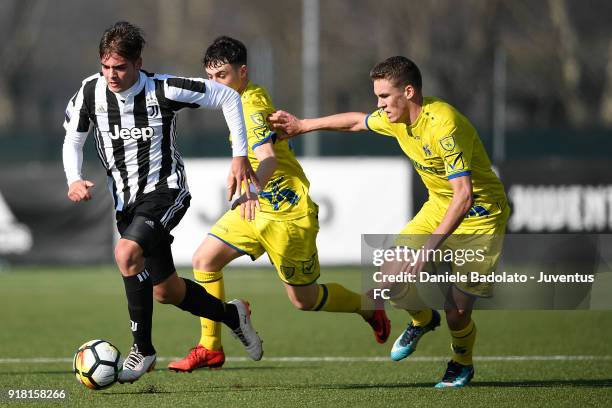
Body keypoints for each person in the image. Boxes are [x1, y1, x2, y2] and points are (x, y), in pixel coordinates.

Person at [269, 56, 509, 388]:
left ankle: (461, 363)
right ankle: (422, 320)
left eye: (384, 96)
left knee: (458, 312)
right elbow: (356, 122)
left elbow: (464, 196)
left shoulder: (444, 125)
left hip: (480, 216)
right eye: (377, 97)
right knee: (389, 278)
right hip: (440, 207)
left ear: (408, 92)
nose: (379, 104)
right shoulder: (394, 119)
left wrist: (425, 252)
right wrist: (303, 125)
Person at [167, 36, 390, 372]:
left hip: (286, 213)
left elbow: (267, 158)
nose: (215, 84)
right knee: (204, 260)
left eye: (222, 76)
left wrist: (253, 188)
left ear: (243, 72)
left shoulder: (250, 106)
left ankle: (368, 306)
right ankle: (210, 347)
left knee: (304, 299)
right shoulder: (234, 99)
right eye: (210, 78)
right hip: (255, 207)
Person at [62, 22, 263, 383]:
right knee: (165, 291)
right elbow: (73, 140)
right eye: (106, 67)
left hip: (165, 191)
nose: (112, 75)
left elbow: (229, 97)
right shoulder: (89, 93)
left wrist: (239, 156)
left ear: (138, 63)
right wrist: (73, 178)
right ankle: (234, 316)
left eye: (120, 67)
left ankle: (144, 350)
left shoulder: (164, 88)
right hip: (126, 203)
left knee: (125, 254)